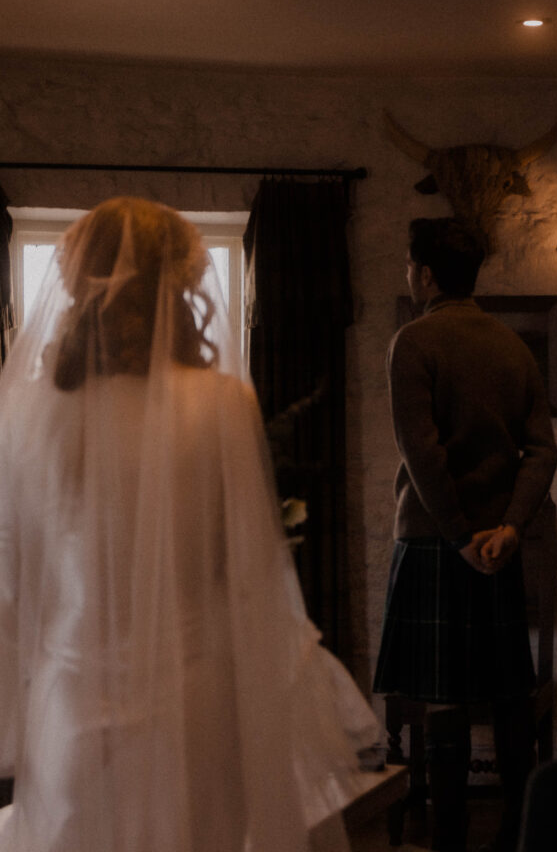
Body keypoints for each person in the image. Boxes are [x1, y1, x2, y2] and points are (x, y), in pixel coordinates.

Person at [0, 196, 378, 852]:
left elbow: (11, 575)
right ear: (178, 282)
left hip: (73, 697)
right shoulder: (220, 401)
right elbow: (250, 573)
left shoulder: (33, 410)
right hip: (194, 693)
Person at [373, 217, 557, 852]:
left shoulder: (412, 343)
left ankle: (449, 841)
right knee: (509, 693)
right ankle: (517, 834)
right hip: (497, 547)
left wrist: (455, 538)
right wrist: (510, 528)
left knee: (443, 701)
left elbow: (422, 457)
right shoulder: (513, 347)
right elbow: (542, 452)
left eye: (408, 265)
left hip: (435, 543)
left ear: (424, 274)